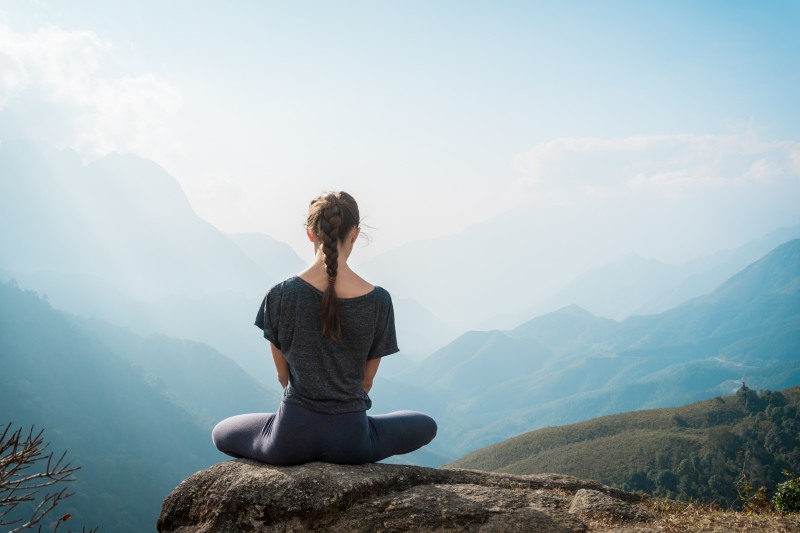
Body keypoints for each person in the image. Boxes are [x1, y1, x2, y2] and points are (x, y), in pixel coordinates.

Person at [212, 191, 437, 465]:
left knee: (220, 432)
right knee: (426, 425)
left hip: (289, 441)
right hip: (351, 443)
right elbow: (366, 383)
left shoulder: (281, 295)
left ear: (310, 233)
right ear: (355, 234)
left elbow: (283, 378)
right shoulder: (379, 300)